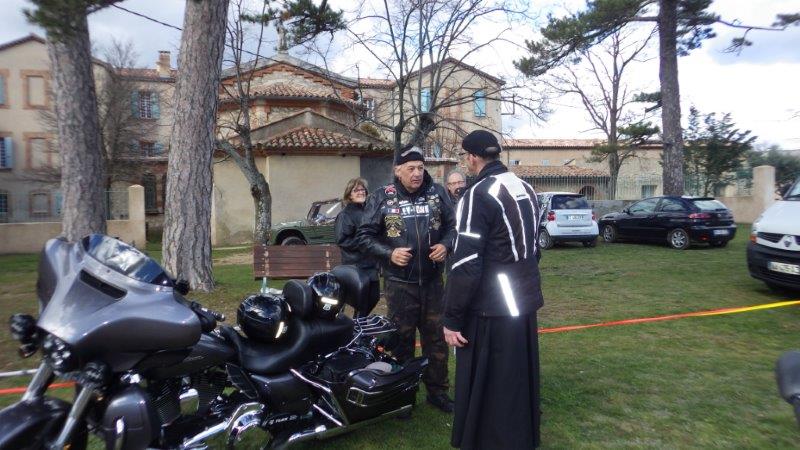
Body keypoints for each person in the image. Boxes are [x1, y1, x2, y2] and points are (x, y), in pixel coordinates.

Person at [442, 130, 544, 449]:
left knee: (496, 380)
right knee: (516, 375)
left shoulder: (478, 194)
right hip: (523, 298)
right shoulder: (525, 187)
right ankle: (520, 434)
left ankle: (493, 439)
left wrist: (452, 318)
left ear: (472, 157)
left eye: (466, 157)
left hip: (492, 305)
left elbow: (466, 262)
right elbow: (535, 248)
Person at [358, 144, 457, 413]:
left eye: (420, 168)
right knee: (401, 341)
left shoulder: (437, 193)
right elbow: (364, 236)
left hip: (433, 283)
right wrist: (389, 253)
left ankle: (437, 392)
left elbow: (453, 226)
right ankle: (403, 397)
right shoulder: (382, 197)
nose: (417, 173)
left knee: (436, 341)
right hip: (400, 284)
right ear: (397, 170)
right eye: (411, 168)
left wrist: (446, 245)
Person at [334, 178, 380, 317]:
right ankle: (358, 324)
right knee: (362, 301)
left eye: (362, 189)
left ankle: (358, 323)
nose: (361, 192)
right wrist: (364, 243)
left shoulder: (369, 212)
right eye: (356, 190)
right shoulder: (345, 215)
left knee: (374, 297)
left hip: (371, 265)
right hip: (355, 266)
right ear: (349, 195)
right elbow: (342, 240)